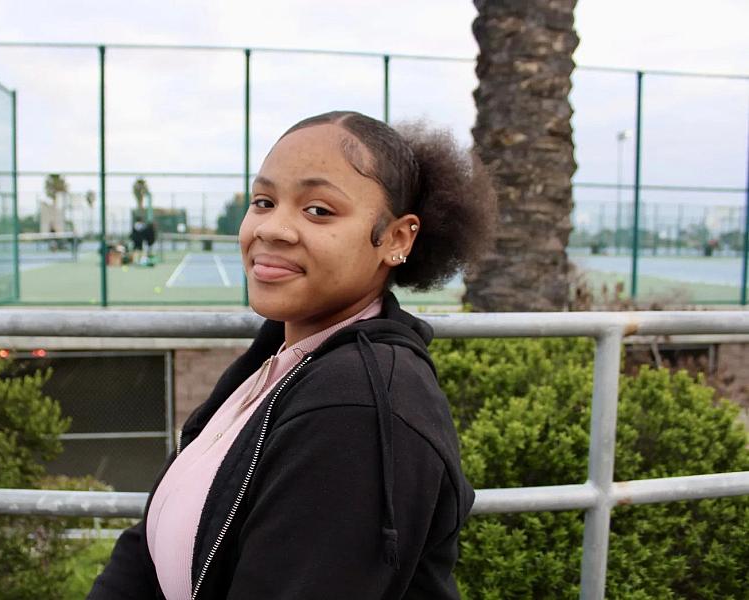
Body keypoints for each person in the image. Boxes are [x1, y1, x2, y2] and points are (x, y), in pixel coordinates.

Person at [89, 110, 497, 599]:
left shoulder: (358, 408)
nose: (273, 228)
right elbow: (145, 550)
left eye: (318, 210)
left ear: (396, 238)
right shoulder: (277, 359)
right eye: (263, 201)